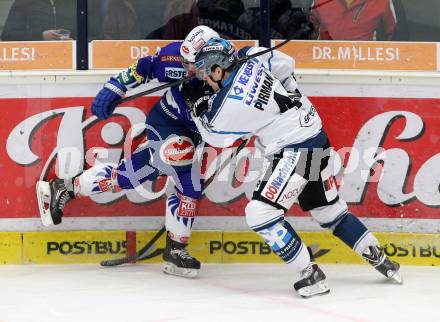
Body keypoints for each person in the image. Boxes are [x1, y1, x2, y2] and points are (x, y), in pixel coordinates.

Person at [189, 37, 402, 297]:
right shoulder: (252, 54)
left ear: (218, 69)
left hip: (296, 150)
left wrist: (198, 105)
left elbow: (214, 136)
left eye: (204, 73)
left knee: (260, 213)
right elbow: (286, 64)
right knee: (328, 210)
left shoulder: (229, 102)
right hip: (315, 135)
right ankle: (381, 260)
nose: (204, 80)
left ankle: (309, 274)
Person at [36, 25, 219, 278]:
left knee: (130, 176)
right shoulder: (174, 58)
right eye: (185, 61)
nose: (187, 68)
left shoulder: (230, 73)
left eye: (193, 62)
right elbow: (144, 68)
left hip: (193, 132)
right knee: (188, 181)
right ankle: (176, 250)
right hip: (167, 122)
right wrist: (115, 87)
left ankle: (67, 188)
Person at [309, 0, 400, 41]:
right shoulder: (319, 1)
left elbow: (395, 40)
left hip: (364, 70)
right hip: (323, 68)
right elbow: (309, 36)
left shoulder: (382, 2)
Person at [1, 0, 75, 41]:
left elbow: (85, 34)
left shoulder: (75, 3)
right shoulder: (23, 2)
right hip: (35, 59)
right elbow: (8, 36)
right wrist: (41, 36)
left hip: (70, 56)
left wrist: (74, 41)